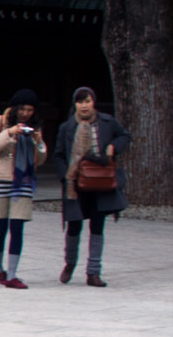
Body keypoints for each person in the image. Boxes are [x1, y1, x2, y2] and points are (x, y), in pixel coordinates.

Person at [54, 86, 131, 287]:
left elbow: (124, 136)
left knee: (98, 225)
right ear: (75, 105)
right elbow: (59, 155)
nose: (84, 106)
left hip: (100, 180)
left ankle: (93, 272)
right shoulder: (67, 127)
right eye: (80, 102)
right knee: (74, 225)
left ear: (93, 102)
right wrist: (66, 175)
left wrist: (113, 147)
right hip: (75, 182)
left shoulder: (107, 122)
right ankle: (70, 263)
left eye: (88, 101)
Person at [0, 89, 47, 289]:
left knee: (17, 227)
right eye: (23, 109)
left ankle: (12, 274)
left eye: (30, 110)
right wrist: (9, 133)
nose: (25, 114)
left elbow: (41, 160)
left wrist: (38, 142)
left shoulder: (35, 126)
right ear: (15, 107)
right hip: (0, 178)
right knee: (0, 227)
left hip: (23, 180)